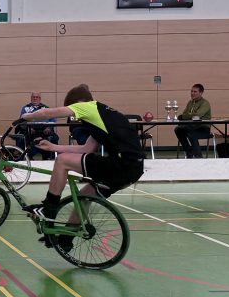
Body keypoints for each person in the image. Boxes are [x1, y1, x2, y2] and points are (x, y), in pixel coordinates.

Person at [19, 84, 144, 251]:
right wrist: (53, 147)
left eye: (73, 110)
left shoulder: (88, 106)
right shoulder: (103, 116)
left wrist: (26, 116)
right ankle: (65, 240)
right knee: (84, 197)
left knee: (62, 161)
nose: (75, 116)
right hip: (133, 169)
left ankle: (48, 209)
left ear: (79, 103)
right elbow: (87, 148)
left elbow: (48, 113)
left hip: (121, 165)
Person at [15, 92, 59, 160]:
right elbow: (22, 120)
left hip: (45, 130)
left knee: (55, 138)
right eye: (33, 97)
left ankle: (50, 157)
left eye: (37, 97)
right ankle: (27, 157)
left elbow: (53, 120)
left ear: (40, 98)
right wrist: (28, 128)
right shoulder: (25, 108)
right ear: (31, 98)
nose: (35, 98)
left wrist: (49, 127)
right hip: (31, 130)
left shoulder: (46, 108)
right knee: (22, 139)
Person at [174, 84, 212, 158]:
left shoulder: (205, 103)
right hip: (191, 126)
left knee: (192, 134)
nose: (192, 93)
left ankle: (198, 156)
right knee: (178, 129)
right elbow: (183, 115)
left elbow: (197, 115)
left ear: (201, 93)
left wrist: (188, 115)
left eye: (195, 91)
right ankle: (189, 152)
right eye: (191, 91)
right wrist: (190, 116)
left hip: (203, 128)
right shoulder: (190, 102)